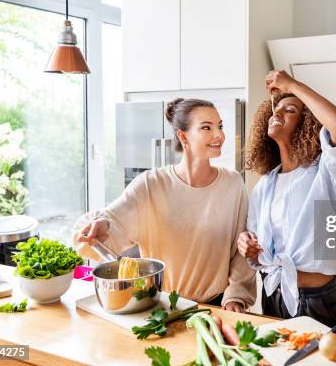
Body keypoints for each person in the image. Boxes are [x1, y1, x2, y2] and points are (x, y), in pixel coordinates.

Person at [74, 98, 255, 312]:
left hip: (216, 307)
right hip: (161, 307)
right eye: (206, 127)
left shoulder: (232, 184)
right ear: (183, 136)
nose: (219, 135)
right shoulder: (151, 184)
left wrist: (235, 297)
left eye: (220, 126)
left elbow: (242, 250)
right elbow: (105, 225)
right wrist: (101, 224)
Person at [238, 70, 336, 326]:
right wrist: (246, 244)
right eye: (276, 109)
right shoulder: (264, 186)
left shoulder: (326, 174)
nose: (277, 113)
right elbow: (257, 252)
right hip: (272, 296)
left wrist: (291, 84)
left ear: (307, 123)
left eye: (290, 110)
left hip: (317, 302)